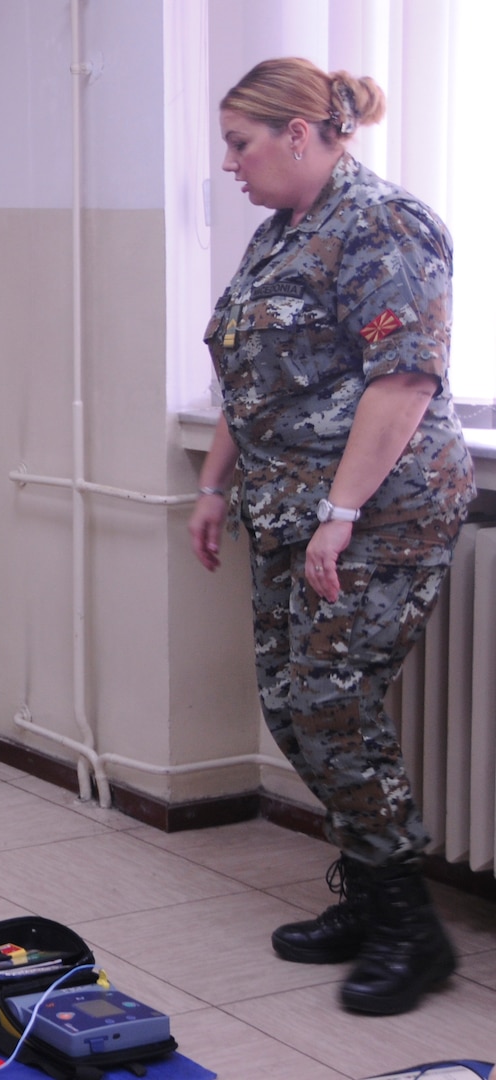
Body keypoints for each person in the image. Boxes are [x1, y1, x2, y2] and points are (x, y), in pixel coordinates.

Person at [189, 57, 474, 1017]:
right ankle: (367, 898)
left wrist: (342, 515)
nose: (230, 164)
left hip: (380, 516)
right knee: (292, 703)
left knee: (329, 701)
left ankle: (410, 926)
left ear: (300, 134)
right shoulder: (282, 235)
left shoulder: (384, 224)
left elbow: (405, 382)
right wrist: (213, 484)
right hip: (289, 511)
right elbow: (248, 373)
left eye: (241, 143)